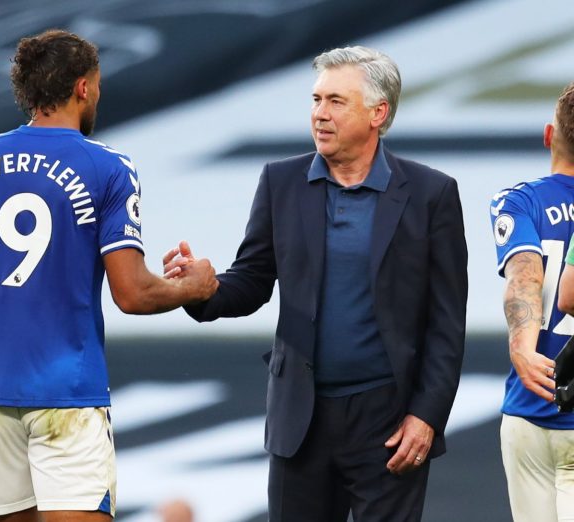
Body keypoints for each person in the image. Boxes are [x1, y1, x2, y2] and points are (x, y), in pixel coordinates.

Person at [0, 29, 218, 522]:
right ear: (82, 87)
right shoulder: (108, 168)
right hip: (68, 397)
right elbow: (133, 293)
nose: (97, 94)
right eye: (96, 85)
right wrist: (195, 285)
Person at [164, 46, 468, 521]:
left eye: (336, 102)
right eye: (315, 100)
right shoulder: (280, 182)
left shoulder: (431, 194)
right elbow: (252, 281)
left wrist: (427, 416)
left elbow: (447, 322)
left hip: (388, 422)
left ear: (378, 113)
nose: (319, 114)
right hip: (300, 419)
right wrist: (203, 290)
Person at [491, 81, 574, 522]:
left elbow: (525, 272)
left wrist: (523, 344)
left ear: (549, 135)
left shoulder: (519, 201)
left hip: (531, 405)